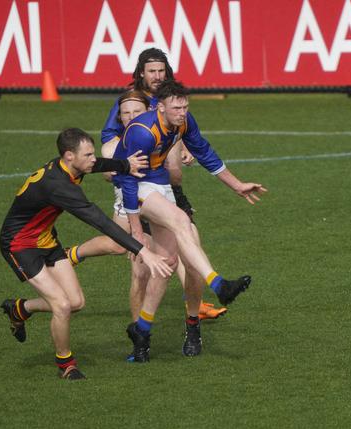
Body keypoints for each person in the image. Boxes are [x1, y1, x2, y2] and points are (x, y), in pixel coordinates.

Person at [66, 48, 226, 321]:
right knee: (126, 251)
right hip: (136, 185)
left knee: (181, 241)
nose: (157, 75)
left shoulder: (171, 100)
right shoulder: (131, 100)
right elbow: (109, 136)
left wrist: (184, 147)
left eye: (161, 70)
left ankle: (194, 304)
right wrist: (119, 163)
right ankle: (74, 255)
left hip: (165, 186)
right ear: (141, 73)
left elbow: (182, 131)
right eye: (152, 71)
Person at [0, 128, 172, 380]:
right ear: (69, 156)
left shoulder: (72, 167)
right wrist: (143, 250)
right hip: (20, 245)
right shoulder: (59, 186)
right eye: (88, 154)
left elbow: (97, 165)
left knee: (76, 303)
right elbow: (100, 221)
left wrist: (124, 165)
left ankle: (20, 309)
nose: (94, 159)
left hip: (45, 240)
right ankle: (66, 364)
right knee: (61, 305)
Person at [114, 79, 267, 362]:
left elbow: (204, 152)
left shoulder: (183, 122)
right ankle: (219, 284)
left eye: (185, 106)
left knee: (168, 264)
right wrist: (135, 229)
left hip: (161, 188)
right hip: (137, 191)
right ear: (160, 107)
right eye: (176, 107)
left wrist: (237, 185)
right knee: (183, 222)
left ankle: (143, 331)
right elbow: (127, 180)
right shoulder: (142, 132)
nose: (182, 112)